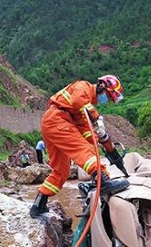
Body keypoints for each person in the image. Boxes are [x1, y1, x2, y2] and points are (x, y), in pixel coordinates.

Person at [30, 74, 129, 218]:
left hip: (52, 123)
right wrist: (97, 119)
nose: (106, 100)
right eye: (108, 96)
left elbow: (84, 130)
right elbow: (78, 101)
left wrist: (98, 140)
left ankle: (39, 204)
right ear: (102, 86)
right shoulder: (84, 87)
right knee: (85, 151)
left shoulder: (83, 108)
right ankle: (103, 182)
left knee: (61, 172)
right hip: (58, 120)